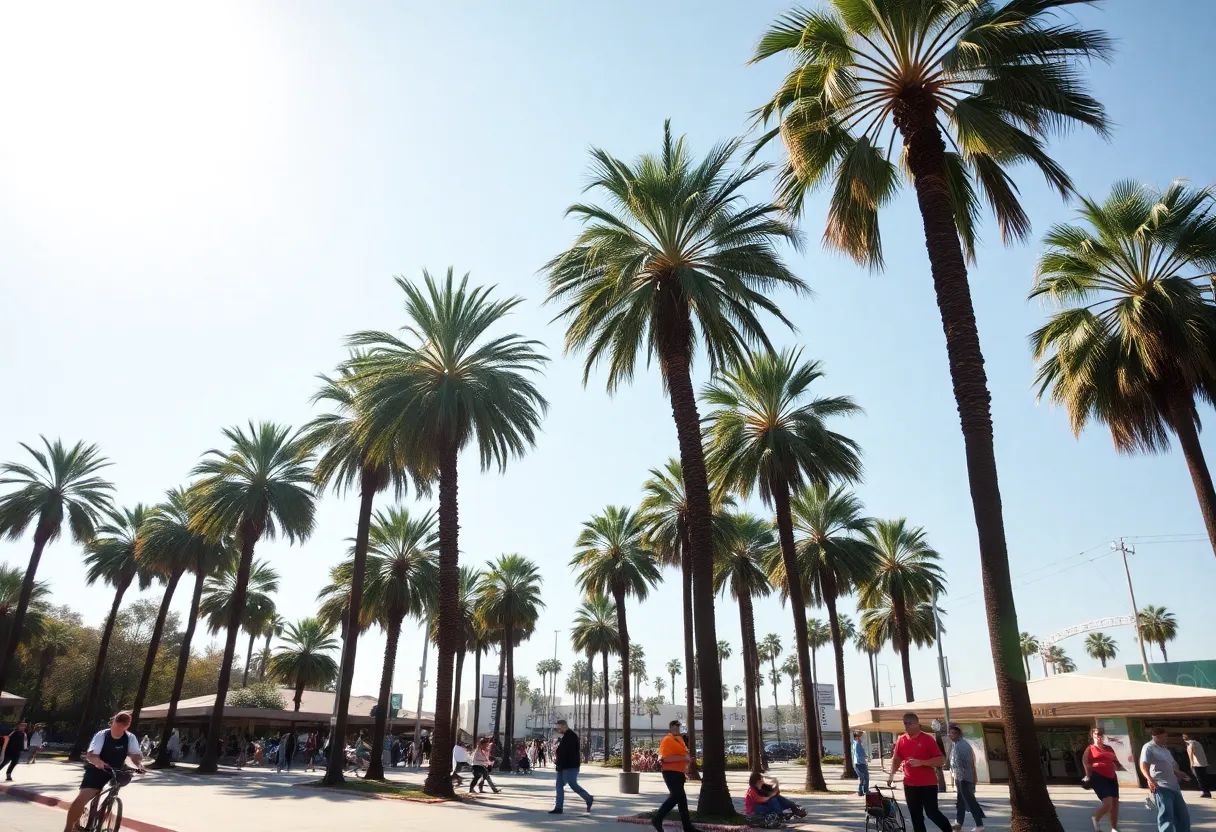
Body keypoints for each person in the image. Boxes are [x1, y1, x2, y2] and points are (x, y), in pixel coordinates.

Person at [64, 712, 144, 832]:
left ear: (128, 725)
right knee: (83, 797)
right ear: (113, 721)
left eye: (125, 723)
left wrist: (139, 765)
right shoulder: (102, 735)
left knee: (113, 790)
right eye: (119, 722)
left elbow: (135, 755)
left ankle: (103, 810)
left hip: (116, 771)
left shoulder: (130, 738)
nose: (120, 726)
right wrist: (98, 762)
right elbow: (91, 755)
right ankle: (68, 829)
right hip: (96, 769)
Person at [888, 713, 951, 832]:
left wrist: (922, 762)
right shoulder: (901, 739)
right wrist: (891, 775)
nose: (906, 726)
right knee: (915, 816)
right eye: (905, 723)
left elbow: (941, 760)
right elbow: (896, 759)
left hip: (928, 784)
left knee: (932, 813)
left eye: (909, 723)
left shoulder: (927, 739)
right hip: (909, 784)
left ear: (917, 724)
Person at [1141, 726, 1191, 832]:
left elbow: (1170, 766)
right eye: (1164, 737)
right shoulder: (1148, 747)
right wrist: (1149, 779)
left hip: (1174, 786)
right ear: (1157, 737)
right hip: (1160, 786)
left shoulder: (1164, 749)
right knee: (1166, 817)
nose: (1166, 739)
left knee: (1183, 817)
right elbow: (1143, 765)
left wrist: (1179, 773)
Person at [653, 720, 697, 831]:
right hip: (670, 772)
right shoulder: (668, 740)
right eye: (675, 727)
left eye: (679, 727)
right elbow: (665, 759)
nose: (678, 729)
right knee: (676, 797)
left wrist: (687, 761)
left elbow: (683, 755)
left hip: (679, 773)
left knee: (682, 800)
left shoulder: (680, 740)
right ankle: (657, 818)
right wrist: (684, 758)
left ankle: (687, 827)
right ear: (671, 728)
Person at [1082, 726, 1121, 832]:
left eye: (1100, 734)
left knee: (1115, 803)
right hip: (1098, 776)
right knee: (1108, 803)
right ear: (1092, 735)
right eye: (1096, 734)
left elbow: (1115, 760)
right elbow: (1085, 762)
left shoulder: (1108, 748)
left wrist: (1116, 764)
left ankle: (1114, 828)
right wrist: (1088, 775)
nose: (1098, 736)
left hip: (1112, 776)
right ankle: (1096, 818)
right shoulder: (1090, 748)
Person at [947, 725, 984, 832]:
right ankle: (959, 823)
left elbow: (969, 763)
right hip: (959, 777)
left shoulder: (963, 745)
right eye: (950, 733)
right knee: (960, 802)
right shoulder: (955, 745)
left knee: (970, 801)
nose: (951, 735)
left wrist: (971, 779)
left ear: (959, 734)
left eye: (953, 733)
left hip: (965, 778)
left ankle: (979, 824)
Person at [551, 719, 592, 815]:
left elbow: (569, 753)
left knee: (573, 785)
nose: (558, 730)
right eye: (557, 728)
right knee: (559, 786)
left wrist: (561, 762)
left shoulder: (571, 736)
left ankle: (588, 798)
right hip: (562, 766)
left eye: (559, 728)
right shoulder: (566, 736)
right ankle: (558, 807)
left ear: (564, 726)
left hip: (570, 767)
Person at [1182, 733, 1210, 799]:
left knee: (1200, 778)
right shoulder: (1197, 743)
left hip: (1197, 764)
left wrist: (1191, 763)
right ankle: (1206, 791)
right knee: (1203, 778)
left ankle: (1205, 792)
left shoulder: (1190, 743)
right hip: (1202, 763)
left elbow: (1190, 752)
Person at [853, 731, 870, 796]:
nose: (861, 738)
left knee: (864, 777)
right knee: (863, 777)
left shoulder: (856, 743)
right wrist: (865, 755)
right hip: (860, 763)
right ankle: (861, 791)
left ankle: (865, 790)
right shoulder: (857, 744)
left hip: (860, 763)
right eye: (860, 736)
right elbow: (859, 753)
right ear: (857, 737)